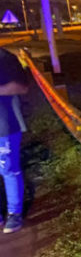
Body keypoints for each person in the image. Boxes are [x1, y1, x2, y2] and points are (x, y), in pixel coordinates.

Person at [0, 48, 30, 234]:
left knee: (8, 169)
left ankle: (14, 213)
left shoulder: (5, 58)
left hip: (4, 124)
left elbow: (22, 86)